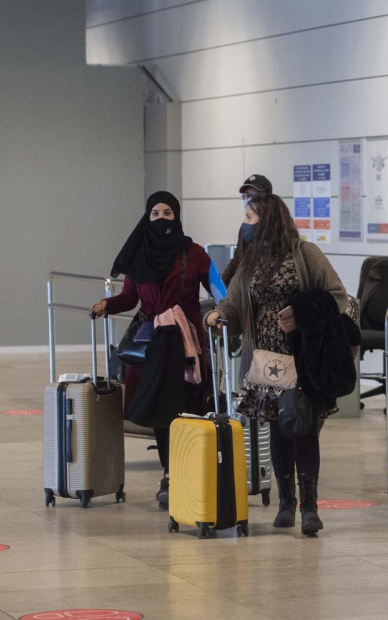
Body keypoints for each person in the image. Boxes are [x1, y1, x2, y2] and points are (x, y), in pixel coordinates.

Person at [205, 193, 349, 536]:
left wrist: (301, 314)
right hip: (266, 360)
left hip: (302, 355)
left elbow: (337, 295)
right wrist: (219, 315)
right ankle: (286, 503)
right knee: (279, 428)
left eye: (250, 218)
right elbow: (235, 303)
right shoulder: (250, 261)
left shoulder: (305, 253)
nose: (245, 225)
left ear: (268, 219)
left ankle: (310, 507)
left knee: (304, 427)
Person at [91, 191, 213, 506]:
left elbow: (219, 290)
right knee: (162, 411)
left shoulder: (195, 254)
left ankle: (190, 472)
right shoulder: (139, 255)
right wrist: (108, 304)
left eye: (167, 214)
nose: (160, 219)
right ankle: (170, 476)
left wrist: (224, 310)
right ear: (147, 218)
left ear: (177, 217)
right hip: (152, 344)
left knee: (188, 408)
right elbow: (131, 297)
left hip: (187, 345)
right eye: (154, 214)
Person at [221, 173, 273, 287]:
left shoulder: (276, 228)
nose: (248, 200)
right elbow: (237, 261)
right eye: (245, 196)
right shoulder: (245, 227)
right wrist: (221, 286)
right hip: (243, 293)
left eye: (253, 195)